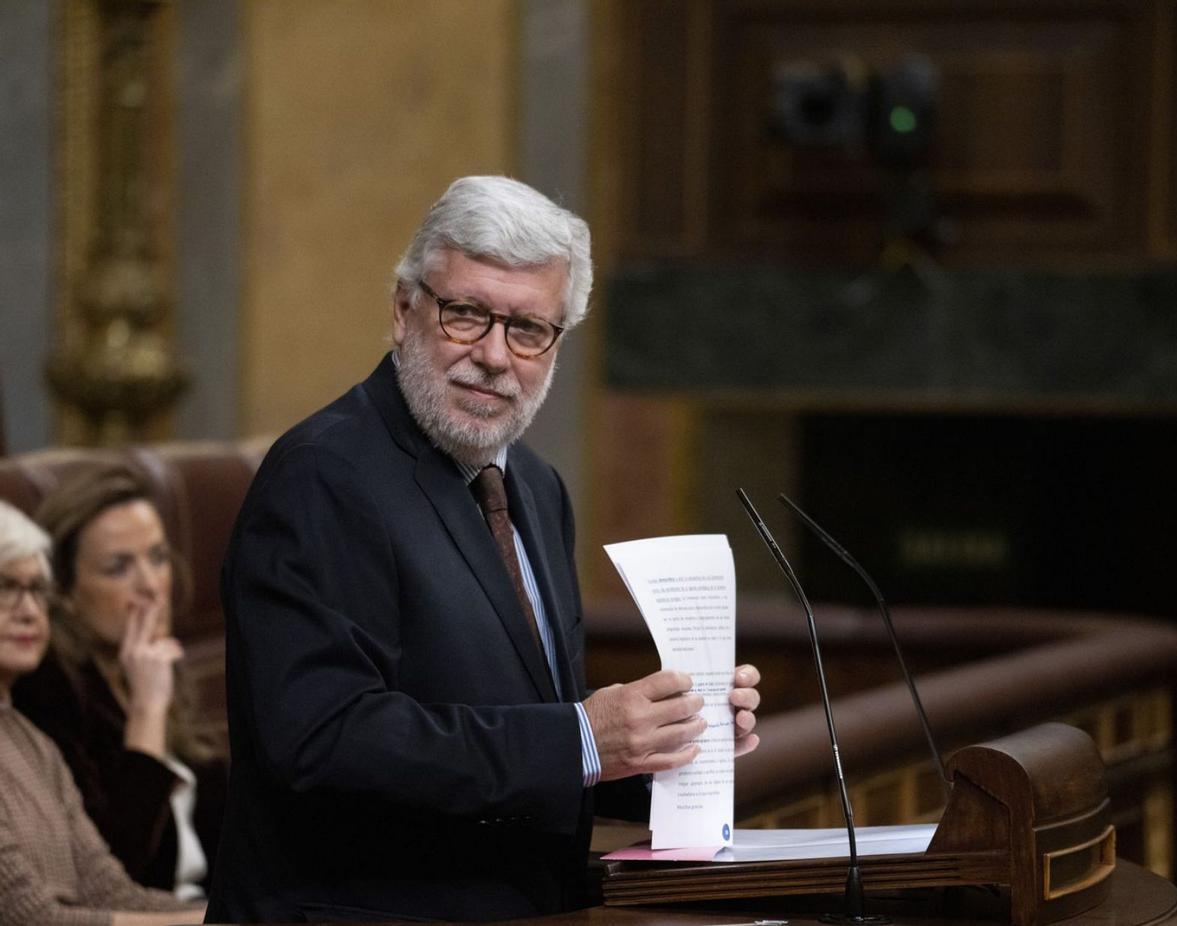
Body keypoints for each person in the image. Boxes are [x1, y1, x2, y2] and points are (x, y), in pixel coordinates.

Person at [206, 176, 762, 923]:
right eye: (467, 315)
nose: (496, 356)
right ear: (405, 310)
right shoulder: (322, 476)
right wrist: (584, 737)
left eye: (529, 329)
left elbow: (525, 726)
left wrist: (663, 742)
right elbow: (322, 738)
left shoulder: (534, 485)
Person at [13, 465, 226, 899]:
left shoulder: (154, 663)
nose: (150, 586)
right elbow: (114, 873)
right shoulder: (48, 689)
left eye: (158, 557)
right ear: (65, 593)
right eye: (119, 568)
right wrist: (147, 711)